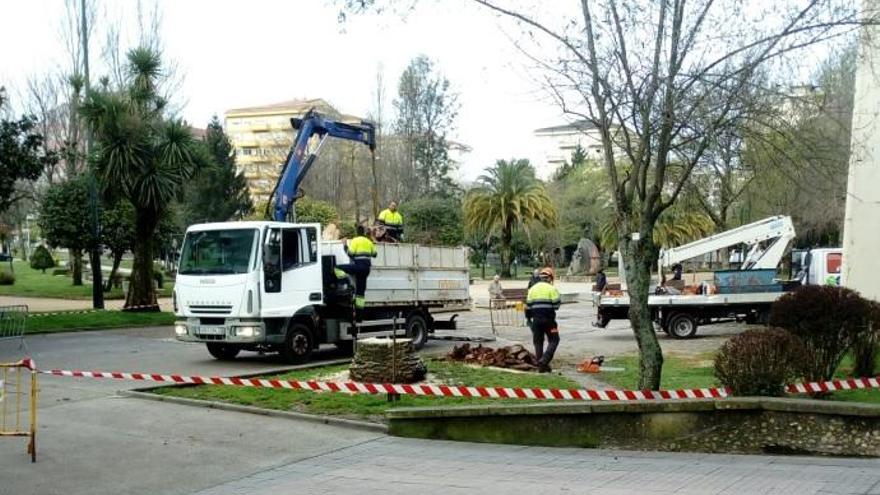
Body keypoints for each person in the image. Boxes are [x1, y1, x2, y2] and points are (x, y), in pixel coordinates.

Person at [337, 225, 377, 320]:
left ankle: (346, 283)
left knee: (337, 268)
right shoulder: (368, 241)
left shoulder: (355, 240)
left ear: (357, 232)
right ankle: (359, 317)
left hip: (358, 267)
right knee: (360, 293)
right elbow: (375, 254)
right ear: (363, 232)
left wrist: (345, 245)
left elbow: (350, 254)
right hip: (366, 269)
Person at [526, 267, 561, 373]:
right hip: (549, 320)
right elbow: (556, 305)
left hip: (536, 320)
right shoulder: (552, 289)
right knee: (554, 340)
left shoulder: (532, 289)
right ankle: (544, 360)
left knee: (538, 342)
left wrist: (529, 319)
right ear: (550, 278)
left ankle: (541, 366)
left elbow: (528, 306)